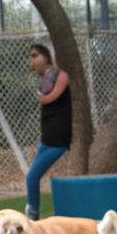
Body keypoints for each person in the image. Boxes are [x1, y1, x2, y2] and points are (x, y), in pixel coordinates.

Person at [25, 42, 72, 219]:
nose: (32, 60)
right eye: (30, 57)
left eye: (35, 56)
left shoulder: (61, 75)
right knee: (32, 178)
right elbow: (43, 97)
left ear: (46, 57)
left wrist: (43, 97)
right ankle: (32, 216)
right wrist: (42, 96)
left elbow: (49, 97)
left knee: (31, 177)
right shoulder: (44, 80)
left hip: (58, 139)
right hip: (46, 138)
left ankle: (32, 216)